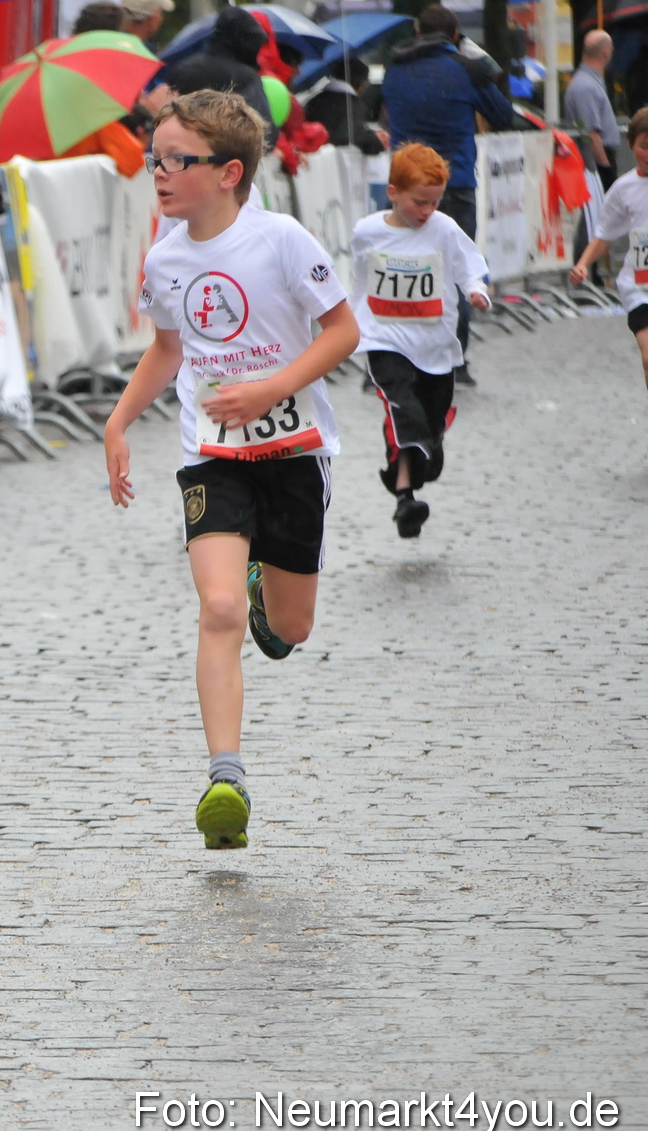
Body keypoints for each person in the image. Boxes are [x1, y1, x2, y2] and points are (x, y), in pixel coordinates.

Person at [104, 91, 359, 852]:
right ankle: (225, 777)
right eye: (155, 157)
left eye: (176, 159)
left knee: (288, 627)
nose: (158, 171)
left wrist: (273, 386)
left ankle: (262, 594)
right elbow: (167, 348)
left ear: (228, 172)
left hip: (292, 451)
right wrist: (117, 422)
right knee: (214, 608)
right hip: (211, 455)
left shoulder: (278, 240)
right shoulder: (165, 255)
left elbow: (342, 329)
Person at [350, 143, 491, 538]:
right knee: (402, 410)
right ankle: (404, 498)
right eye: (419, 202)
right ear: (392, 192)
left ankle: (416, 473)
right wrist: (345, 322)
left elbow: (469, 267)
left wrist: (476, 291)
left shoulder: (443, 229)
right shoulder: (367, 232)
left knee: (428, 422)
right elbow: (359, 280)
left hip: (434, 345)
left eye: (434, 202)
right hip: (385, 340)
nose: (427, 211)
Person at [381, 5, 511, 386]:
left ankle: (393, 355)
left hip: (404, 184)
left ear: (418, 33)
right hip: (450, 185)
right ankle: (455, 362)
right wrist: (475, 61)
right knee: (457, 272)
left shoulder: (394, 69)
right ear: (456, 36)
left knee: (399, 270)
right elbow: (504, 115)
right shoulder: (466, 69)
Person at [571, 107, 648, 389]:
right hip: (640, 286)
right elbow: (603, 234)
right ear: (631, 145)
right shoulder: (623, 188)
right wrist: (582, 263)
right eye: (644, 146)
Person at [159, 7, 276, 149]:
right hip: (221, 159)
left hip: (176, 155)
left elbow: (162, 115)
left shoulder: (183, 68)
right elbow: (264, 133)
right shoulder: (245, 77)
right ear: (247, 41)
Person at [303, 55, 388, 156]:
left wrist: (371, 133)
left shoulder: (314, 101)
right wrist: (377, 141)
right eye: (366, 83)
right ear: (360, 82)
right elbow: (354, 136)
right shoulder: (351, 104)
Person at [566, 31, 619, 188]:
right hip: (596, 163)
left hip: (596, 161)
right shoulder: (586, 87)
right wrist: (605, 169)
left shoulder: (588, 83)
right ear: (606, 52)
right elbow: (591, 134)